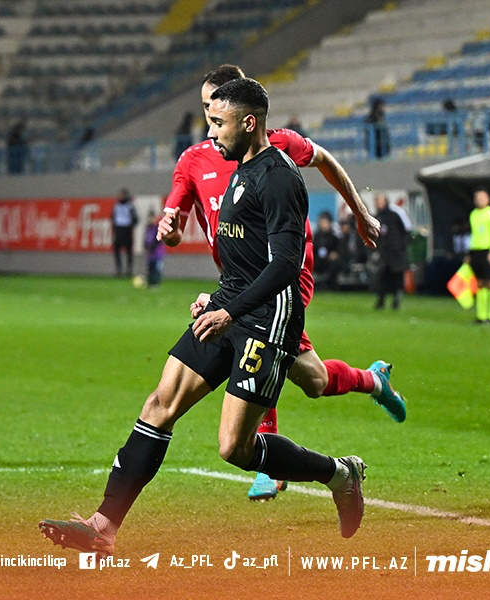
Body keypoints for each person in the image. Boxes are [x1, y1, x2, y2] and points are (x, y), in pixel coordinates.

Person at [40, 79, 367, 557]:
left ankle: (340, 474)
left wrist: (231, 309)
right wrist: (215, 299)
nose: (211, 134)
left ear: (248, 123)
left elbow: (284, 265)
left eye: (218, 123)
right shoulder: (239, 168)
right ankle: (103, 526)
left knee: (235, 448)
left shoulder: (279, 176)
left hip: (268, 319)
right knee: (160, 403)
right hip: (229, 305)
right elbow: (244, 257)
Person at [154, 64, 405, 501]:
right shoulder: (193, 160)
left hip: (284, 272)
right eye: (207, 108)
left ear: (240, 112)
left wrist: (361, 212)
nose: (210, 117)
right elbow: (174, 227)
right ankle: (372, 380)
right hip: (237, 279)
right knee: (314, 380)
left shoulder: (275, 146)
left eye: (217, 108)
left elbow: (325, 160)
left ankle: (266, 462)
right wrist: (170, 231)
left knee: (258, 339)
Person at [466, 189, 490, 324]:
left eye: (482, 197)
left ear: (488, 199)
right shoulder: (473, 214)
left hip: (488, 251)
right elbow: (474, 235)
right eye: (477, 197)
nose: (479, 200)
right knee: (480, 284)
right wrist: (470, 253)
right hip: (476, 252)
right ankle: (481, 316)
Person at [372, 194, 409, 310]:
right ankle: (381, 300)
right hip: (384, 253)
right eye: (376, 201)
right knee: (381, 277)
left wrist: (401, 245)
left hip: (396, 253)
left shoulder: (395, 215)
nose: (378, 203)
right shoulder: (377, 218)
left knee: (396, 276)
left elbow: (406, 231)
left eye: (380, 200)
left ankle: (396, 299)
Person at [111, 188, 138, 277]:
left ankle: (129, 270)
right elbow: (112, 217)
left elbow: (135, 219)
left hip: (127, 230)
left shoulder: (130, 206)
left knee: (128, 251)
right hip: (118, 230)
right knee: (117, 250)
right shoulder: (116, 206)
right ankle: (119, 269)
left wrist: (130, 226)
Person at [313, 211, 340, 290]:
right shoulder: (316, 237)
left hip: (329, 261)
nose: (323, 225)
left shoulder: (333, 237)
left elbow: (337, 249)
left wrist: (335, 254)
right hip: (317, 260)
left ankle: (330, 285)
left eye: (325, 222)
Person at [143, 210, 166, 287]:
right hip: (150, 253)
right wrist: (146, 246)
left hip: (157, 253)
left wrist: (152, 246)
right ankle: (150, 283)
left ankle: (156, 283)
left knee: (156, 268)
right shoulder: (148, 228)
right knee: (150, 268)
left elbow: (158, 240)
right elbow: (146, 239)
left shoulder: (157, 228)